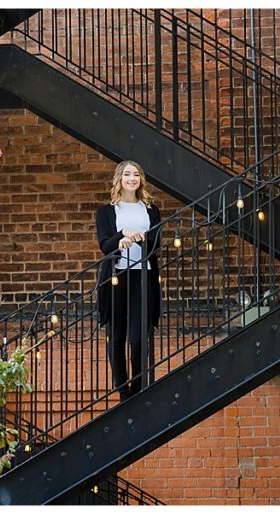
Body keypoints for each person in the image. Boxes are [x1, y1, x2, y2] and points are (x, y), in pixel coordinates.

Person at [95, 161, 162, 401]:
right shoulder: (106, 211)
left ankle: (139, 386)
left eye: (136, 174)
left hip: (142, 275)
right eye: (127, 174)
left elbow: (157, 244)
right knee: (117, 337)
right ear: (119, 179)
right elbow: (105, 245)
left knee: (137, 337)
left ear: (141, 179)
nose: (132, 178)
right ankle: (124, 392)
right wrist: (121, 236)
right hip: (116, 276)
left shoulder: (151, 210)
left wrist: (140, 238)